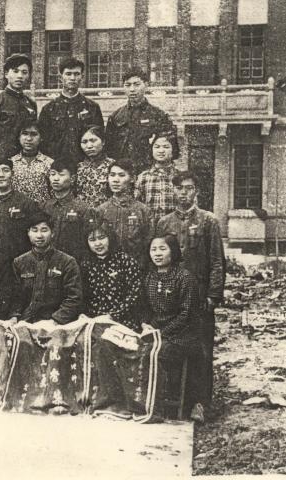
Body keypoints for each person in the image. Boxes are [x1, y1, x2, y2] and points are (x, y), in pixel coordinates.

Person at [156, 171, 224, 416]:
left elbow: (217, 261)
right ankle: (173, 399)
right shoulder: (164, 223)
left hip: (200, 298)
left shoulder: (208, 221)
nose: (183, 193)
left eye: (188, 188)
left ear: (196, 191)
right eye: (179, 188)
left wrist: (213, 296)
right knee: (172, 346)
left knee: (201, 349)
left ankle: (200, 403)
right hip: (172, 298)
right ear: (172, 191)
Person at [142, 234, 202, 421]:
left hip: (183, 334)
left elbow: (187, 315)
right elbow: (146, 309)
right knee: (136, 349)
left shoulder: (184, 278)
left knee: (159, 352)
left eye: (163, 249)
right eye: (153, 249)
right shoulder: (150, 277)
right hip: (158, 332)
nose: (157, 254)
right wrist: (146, 325)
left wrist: (161, 333)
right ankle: (146, 402)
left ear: (173, 251)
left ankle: (169, 402)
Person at [11, 217, 83, 324]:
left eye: (44, 230)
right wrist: (14, 317)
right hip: (25, 322)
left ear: (52, 233)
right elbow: (15, 297)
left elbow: (74, 299)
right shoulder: (19, 262)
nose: (39, 235)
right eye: (34, 230)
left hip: (56, 324)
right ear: (28, 233)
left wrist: (55, 320)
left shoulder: (67, 262)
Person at [106, 68, 175, 175]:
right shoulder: (116, 116)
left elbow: (171, 148)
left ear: (146, 85)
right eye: (127, 85)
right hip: (123, 173)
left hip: (149, 172)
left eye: (137, 84)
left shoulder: (159, 115)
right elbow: (109, 149)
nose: (132, 89)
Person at [37, 57, 103, 165]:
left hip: (85, 165)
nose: (72, 78)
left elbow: (99, 138)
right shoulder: (49, 109)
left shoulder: (92, 107)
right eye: (68, 74)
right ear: (60, 77)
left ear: (82, 77)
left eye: (76, 74)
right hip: (57, 166)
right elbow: (42, 142)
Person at [0, 154, 45, 259]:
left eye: (5, 170)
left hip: (19, 260)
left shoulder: (26, 203)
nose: (1, 175)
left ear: (12, 174)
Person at [80, 221, 142, 328]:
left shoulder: (125, 261)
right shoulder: (85, 264)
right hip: (93, 319)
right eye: (92, 240)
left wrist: (112, 315)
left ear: (110, 238)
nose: (98, 243)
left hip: (122, 320)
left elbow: (134, 294)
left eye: (102, 238)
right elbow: (82, 296)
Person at [96, 158, 155, 265]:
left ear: (132, 179)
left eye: (121, 175)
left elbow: (148, 244)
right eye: (112, 175)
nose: (115, 180)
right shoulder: (100, 211)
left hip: (137, 266)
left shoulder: (143, 211)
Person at [0, 54, 37, 159]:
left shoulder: (30, 104)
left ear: (29, 75)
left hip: (25, 159)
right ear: (6, 74)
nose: (20, 76)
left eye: (24, 72)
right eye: (15, 71)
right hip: (3, 160)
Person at [44, 158, 90, 264]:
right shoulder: (44, 207)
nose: (55, 179)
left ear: (72, 178)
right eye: (52, 174)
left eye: (61, 175)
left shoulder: (83, 209)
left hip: (74, 262)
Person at [135, 132, 182, 220]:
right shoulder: (143, 177)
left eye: (166, 147)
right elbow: (136, 207)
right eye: (157, 147)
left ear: (173, 150)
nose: (161, 151)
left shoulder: (181, 177)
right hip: (149, 226)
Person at [10, 121, 53, 205]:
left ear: (41, 138)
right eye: (25, 134)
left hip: (42, 210)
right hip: (16, 210)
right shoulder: (11, 163)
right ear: (19, 137)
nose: (29, 139)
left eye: (34, 134)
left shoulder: (49, 163)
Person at [76, 125, 114, 209]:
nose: (89, 146)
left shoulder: (113, 166)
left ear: (103, 142)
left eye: (93, 140)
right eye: (84, 142)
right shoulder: (78, 168)